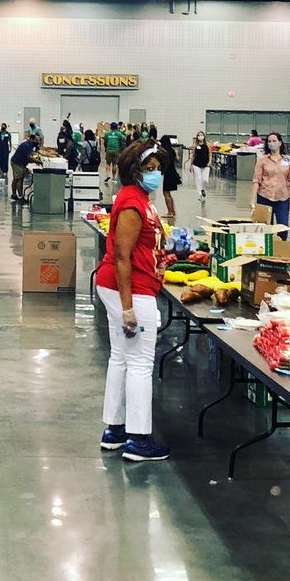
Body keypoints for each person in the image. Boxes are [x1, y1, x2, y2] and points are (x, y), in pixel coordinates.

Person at [94, 140, 169, 462]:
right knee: (140, 363)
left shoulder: (140, 199)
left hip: (128, 285)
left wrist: (158, 259)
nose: (155, 174)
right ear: (133, 171)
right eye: (148, 169)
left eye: (157, 169)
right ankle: (139, 439)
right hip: (130, 290)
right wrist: (127, 308)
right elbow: (123, 257)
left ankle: (116, 429)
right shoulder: (131, 205)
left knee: (121, 359)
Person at [252, 132, 290, 227]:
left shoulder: (288, 160)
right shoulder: (262, 160)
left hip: (282, 198)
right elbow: (256, 180)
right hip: (264, 197)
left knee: (283, 227)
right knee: (265, 227)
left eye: (274, 141)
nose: (271, 143)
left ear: (280, 143)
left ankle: (281, 242)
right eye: (269, 141)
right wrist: (252, 199)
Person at [9, 134, 40, 205]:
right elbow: (29, 157)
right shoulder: (26, 145)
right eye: (36, 140)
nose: (37, 142)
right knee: (19, 179)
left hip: (19, 163)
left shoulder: (32, 145)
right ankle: (20, 197)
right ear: (31, 139)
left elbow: (36, 150)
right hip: (17, 163)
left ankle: (14, 195)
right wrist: (37, 161)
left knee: (16, 178)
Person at [159, 135, 181, 222]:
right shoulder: (172, 150)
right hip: (173, 172)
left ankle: (170, 212)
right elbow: (177, 160)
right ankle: (173, 211)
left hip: (167, 174)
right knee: (169, 193)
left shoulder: (163, 152)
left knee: (166, 193)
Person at [190, 131, 211, 200]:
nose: (200, 136)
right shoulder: (195, 146)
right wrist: (191, 165)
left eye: (201, 135)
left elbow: (210, 154)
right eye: (199, 135)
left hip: (205, 164)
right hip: (196, 164)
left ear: (204, 136)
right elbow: (193, 156)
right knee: (198, 178)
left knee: (205, 180)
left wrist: (210, 161)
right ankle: (200, 193)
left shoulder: (207, 145)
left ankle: (203, 189)